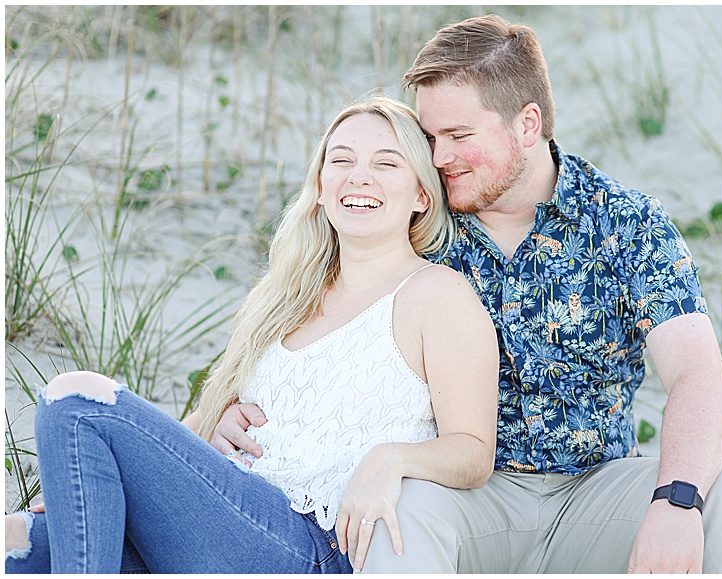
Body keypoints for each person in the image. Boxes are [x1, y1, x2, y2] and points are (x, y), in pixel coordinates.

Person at [214, 14, 722, 574]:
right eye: (429, 139)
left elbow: (697, 374)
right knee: (402, 507)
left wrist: (676, 503)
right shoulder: (420, 228)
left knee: (715, 491)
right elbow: (337, 328)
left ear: (528, 125)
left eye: (458, 136)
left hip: (594, 492)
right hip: (462, 496)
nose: (439, 157)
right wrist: (247, 408)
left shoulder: (625, 224)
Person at [4, 95, 499, 574]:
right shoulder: (284, 297)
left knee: (75, 399)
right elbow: (195, 427)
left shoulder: (437, 296)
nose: (359, 176)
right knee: (13, 543)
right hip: (219, 525)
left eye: (386, 164)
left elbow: (474, 451)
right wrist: (89, 482)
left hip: (309, 548)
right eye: (341, 160)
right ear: (322, 187)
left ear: (421, 195)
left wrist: (393, 458)